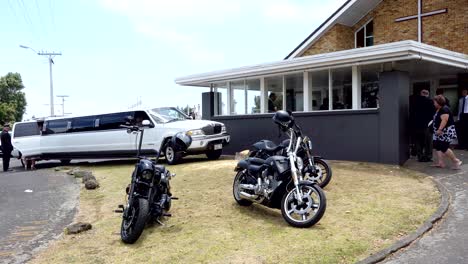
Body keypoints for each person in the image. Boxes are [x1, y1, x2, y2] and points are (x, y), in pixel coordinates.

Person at [431, 95, 462, 169]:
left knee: (443, 147)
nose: (434, 104)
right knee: (437, 146)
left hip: (445, 131)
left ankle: (456, 161)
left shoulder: (445, 109)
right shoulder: (439, 109)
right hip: (439, 130)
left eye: (434, 102)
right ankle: (441, 163)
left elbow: (444, 121)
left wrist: (439, 130)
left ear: (438, 102)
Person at [413, 89, 435, 162]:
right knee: (428, 142)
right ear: (427, 94)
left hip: (416, 125)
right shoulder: (431, 102)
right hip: (427, 125)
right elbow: (433, 114)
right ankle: (428, 156)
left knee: (419, 141)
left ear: (421, 94)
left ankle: (420, 156)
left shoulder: (415, 102)